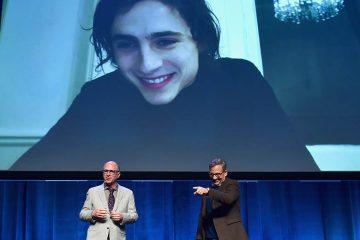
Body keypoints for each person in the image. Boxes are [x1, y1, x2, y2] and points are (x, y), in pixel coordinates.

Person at [10, 0, 319, 171]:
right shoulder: (100, 96)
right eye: (127, 44)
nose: (148, 65)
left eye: (165, 41)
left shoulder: (241, 82)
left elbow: (300, 180)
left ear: (198, 39)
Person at [79, 161, 138, 240]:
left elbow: (134, 216)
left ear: (118, 174)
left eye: (111, 171)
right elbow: (82, 214)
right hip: (96, 237)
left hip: (117, 237)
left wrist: (122, 217)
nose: (108, 174)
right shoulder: (92, 191)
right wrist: (93, 214)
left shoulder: (128, 193)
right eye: (105, 171)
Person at [193, 158, 248, 240]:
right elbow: (203, 217)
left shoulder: (232, 184)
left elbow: (228, 199)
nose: (214, 178)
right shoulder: (210, 190)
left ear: (225, 173)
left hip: (229, 236)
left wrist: (208, 191)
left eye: (217, 174)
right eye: (211, 174)